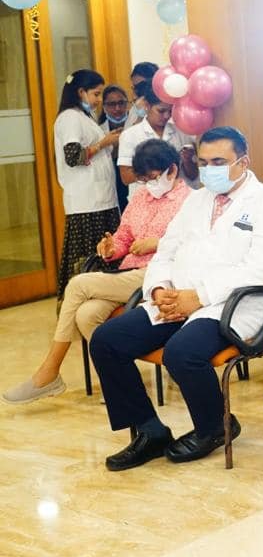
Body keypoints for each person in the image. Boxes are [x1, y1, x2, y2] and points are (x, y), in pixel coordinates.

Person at [88, 126, 263, 471]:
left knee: (182, 352)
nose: (210, 169)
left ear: (243, 162)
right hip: (177, 299)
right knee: (107, 340)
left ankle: (215, 427)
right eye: (203, 162)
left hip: (233, 305)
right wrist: (159, 289)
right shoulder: (196, 200)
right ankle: (150, 431)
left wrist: (199, 297)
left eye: (219, 162)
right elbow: (166, 250)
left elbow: (260, 269)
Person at [3, 140, 189, 404]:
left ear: (172, 170)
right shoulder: (141, 197)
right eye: (144, 179)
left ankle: (49, 372)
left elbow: (196, 244)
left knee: (78, 285)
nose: (149, 184)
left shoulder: (189, 201)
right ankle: (121, 381)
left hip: (160, 275)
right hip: (128, 273)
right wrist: (111, 248)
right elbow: (123, 237)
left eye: (153, 177)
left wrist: (157, 243)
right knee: (86, 314)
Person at [54, 70, 121, 301]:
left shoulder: (85, 116)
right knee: (88, 260)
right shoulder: (70, 118)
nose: (98, 100)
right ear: (80, 92)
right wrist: (104, 142)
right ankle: (82, 305)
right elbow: (73, 156)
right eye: (96, 94)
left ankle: (106, 303)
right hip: (87, 202)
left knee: (108, 255)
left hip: (102, 198)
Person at [117, 81, 197, 196]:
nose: (166, 116)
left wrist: (187, 160)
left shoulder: (182, 132)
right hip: (145, 198)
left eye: (170, 111)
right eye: (161, 111)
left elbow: (193, 176)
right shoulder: (130, 135)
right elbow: (126, 177)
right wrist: (156, 168)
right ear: (147, 105)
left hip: (177, 197)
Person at [99, 85, 132, 212]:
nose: (117, 108)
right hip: (110, 183)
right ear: (104, 107)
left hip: (132, 178)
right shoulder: (99, 132)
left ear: (127, 104)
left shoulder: (136, 127)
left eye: (121, 103)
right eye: (112, 104)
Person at [125, 62, 159, 129]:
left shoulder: (163, 110)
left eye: (141, 87)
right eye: (134, 88)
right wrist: (140, 115)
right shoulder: (136, 108)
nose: (135, 95)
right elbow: (129, 133)